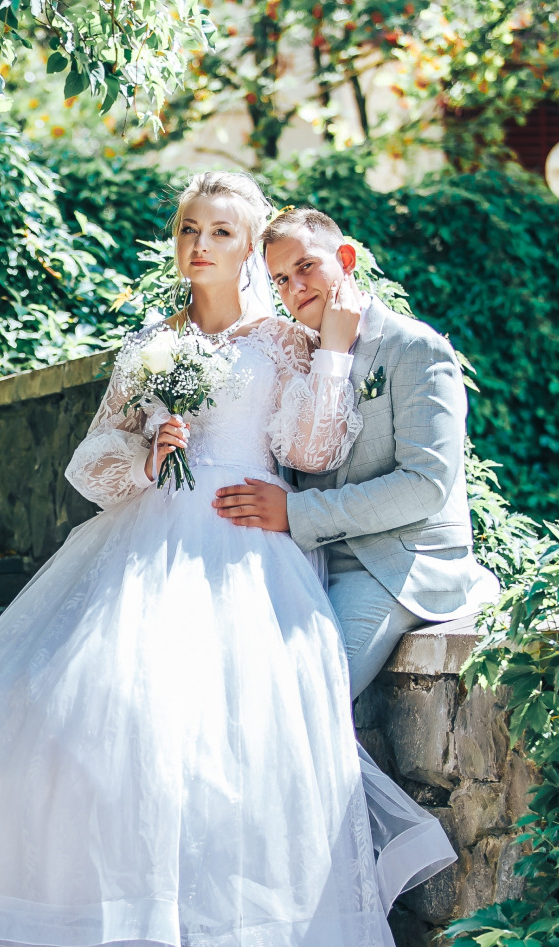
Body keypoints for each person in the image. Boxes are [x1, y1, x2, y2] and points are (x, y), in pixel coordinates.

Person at [0, 173, 455, 947]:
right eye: (190, 228)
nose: (200, 244)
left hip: (244, 542)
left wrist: (331, 353)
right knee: (82, 710)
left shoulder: (284, 340)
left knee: (212, 730)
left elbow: (312, 451)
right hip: (143, 542)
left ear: (250, 246)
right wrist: (147, 457)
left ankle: (189, 919)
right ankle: (118, 912)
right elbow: (89, 464)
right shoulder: (151, 344)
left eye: (221, 231)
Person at [212, 208, 500, 700]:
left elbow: (426, 483)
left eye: (306, 267)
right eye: (280, 279)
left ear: (345, 258)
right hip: (310, 560)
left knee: (301, 697)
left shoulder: (415, 348)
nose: (294, 288)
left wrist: (296, 512)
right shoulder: (299, 354)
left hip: (393, 565)